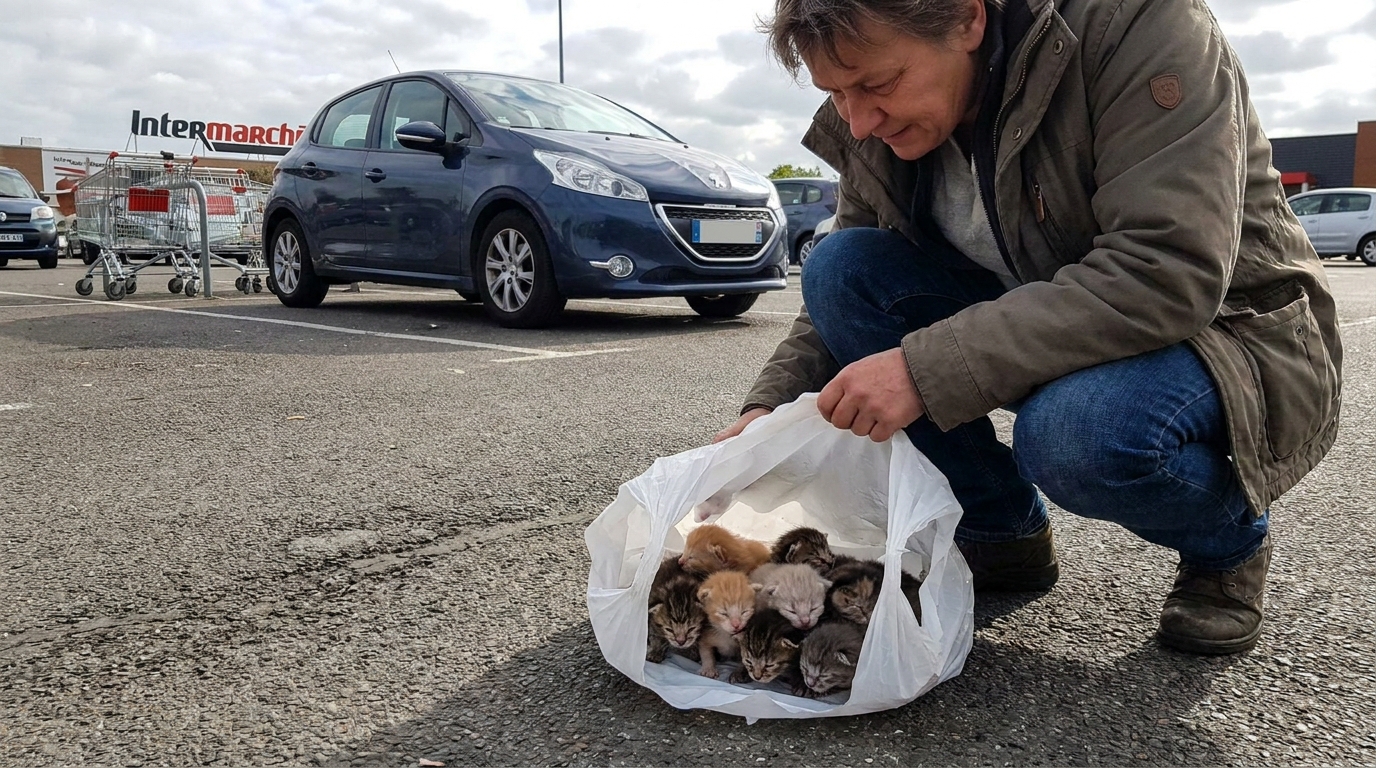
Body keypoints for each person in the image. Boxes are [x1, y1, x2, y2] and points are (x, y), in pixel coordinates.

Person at [716, 0, 1342, 655]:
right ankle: (1000, 531)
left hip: (1220, 332)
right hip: (1045, 320)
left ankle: (1229, 542)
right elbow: (842, 283)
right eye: (835, 93)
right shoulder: (870, 116)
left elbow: (1168, 269)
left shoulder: (1139, 27)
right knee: (841, 268)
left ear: (967, 19)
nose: (860, 121)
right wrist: (768, 407)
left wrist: (924, 369)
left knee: (1076, 435)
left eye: (878, 84)